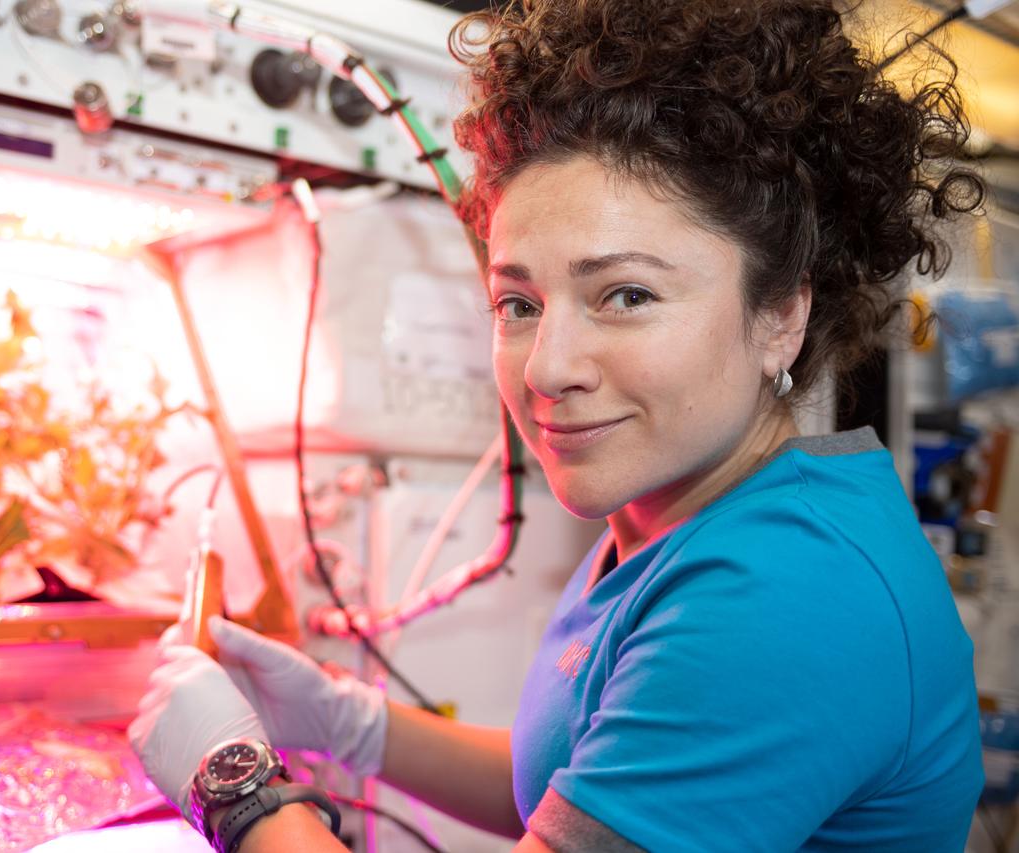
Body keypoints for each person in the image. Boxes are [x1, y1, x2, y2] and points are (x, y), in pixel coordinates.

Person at [129, 1, 988, 850]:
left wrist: (235, 783)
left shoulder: (789, 590)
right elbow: (587, 796)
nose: (546, 367)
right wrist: (347, 720)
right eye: (519, 303)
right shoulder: (676, 508)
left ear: (780, 318)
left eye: (626, 295)